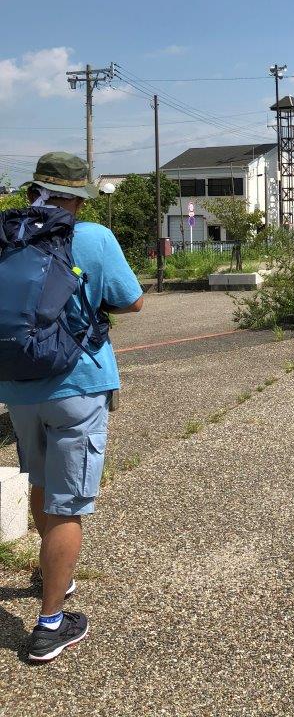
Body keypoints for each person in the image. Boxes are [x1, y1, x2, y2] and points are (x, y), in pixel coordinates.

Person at [0, 152, 144, 662]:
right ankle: (49, 623)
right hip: (78, 386)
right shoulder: (94, 238)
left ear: (34, 189)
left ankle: (49, 571)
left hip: (18, 387)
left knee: (40, 484)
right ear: (78, 196)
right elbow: (132, 300)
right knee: (69, 506)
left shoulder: (7, 236)